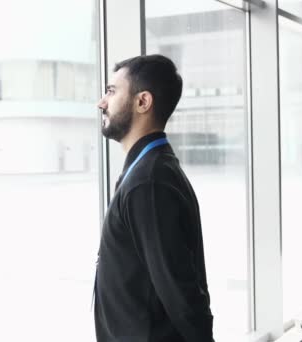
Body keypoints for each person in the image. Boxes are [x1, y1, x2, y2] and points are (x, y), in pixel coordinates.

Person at [93, 54, 214, 342]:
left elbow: (182, 294)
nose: (102, 102)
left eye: (111, 91)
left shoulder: (148, 182)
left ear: (143, 102)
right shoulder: (151, 169)